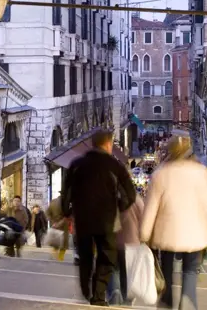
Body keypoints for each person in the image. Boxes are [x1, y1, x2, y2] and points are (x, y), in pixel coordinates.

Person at [139, 136, 207, 310]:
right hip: (195, 234)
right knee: (189, 272)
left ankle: (166, 303)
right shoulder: (201, 173)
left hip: (167, 234)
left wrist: (144, 233)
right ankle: (188, 304)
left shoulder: (161, 174)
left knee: (166, 271)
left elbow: (150, 207)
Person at [62, 129, 136, 306]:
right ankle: (98, 294)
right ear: (108, 144)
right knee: (107, 257)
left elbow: (66, 192)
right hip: (107, 219)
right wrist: (119, 206)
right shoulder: (114, 165)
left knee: (85, 255)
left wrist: (67, 212)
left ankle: (86, 288)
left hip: (83, 218)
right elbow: (130, 194)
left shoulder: (77, 163)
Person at [112, 194, 144, 306]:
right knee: (127, 273)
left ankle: (115, 292)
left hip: (114, 241)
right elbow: (143, 220)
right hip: (132, 243)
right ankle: (126, 298)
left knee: (115, 269)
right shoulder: (137, 200)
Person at [46, 193, 69, 261]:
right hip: (63, 226)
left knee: (56, 243)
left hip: (55, 225)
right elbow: (67, 215)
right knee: (63, 244)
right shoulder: (66, 203)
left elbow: (47, 213)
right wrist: (59, 223)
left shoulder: (53, 201)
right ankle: (60, 258)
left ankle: (55, 256)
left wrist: (52, 222)